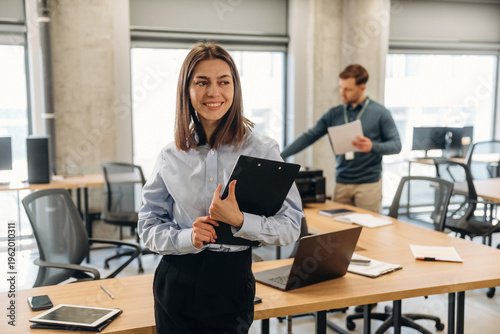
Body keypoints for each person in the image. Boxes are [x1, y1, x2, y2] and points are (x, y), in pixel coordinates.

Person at [138, 42, 303, 334]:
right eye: (202, 82)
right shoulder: (171, 154)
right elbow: (148, 226)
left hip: (232, 282)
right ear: (187, 92)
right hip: (176, 279)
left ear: (234, 89)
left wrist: (239, 221)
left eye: (223, 82)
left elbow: (290, 226)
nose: (214, 92)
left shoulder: (263, 151)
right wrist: (188, 237)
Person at [281, 64, 401, 212]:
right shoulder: (334, 114)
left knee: (369, 232)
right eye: (340, 87)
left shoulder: (380, 113)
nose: (342, 93)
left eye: (348, 89)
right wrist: (280, 155)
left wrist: (373, 146)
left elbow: (396, 145)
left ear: (362, 87)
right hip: (341, 184)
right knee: (340, 231)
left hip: (368, 186)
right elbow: (309, 137)